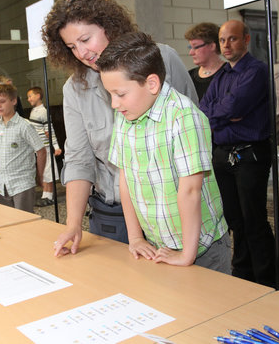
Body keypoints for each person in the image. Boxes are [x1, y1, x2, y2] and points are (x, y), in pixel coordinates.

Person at [42, 0, 198, 257]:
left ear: (108, 26)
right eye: (71, 47)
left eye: (85, 39)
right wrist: (73, 224)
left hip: (172, 211)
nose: (81, 52)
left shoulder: (163, 59)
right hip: (112, 214)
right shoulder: (75, 89)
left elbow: (196, 134)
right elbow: (80, 159)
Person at [96, 31, 230, 273]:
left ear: (152, 83)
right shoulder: (125, 116)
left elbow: (190, 191)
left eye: (120, 94)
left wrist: (186, 255)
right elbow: (126, 179)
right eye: (110, 95)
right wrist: (135, 237)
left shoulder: (184, 117)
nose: (114, 104)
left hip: (201, 249)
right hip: (159, 245)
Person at [200, 20, 277, 287]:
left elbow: (233, 106)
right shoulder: (221, 74)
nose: (226, 45)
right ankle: (244, 276)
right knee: (234, 219)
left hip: (250, 155)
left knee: (253, 218)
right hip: (223, 155)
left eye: (232, 39)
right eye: (222, 40)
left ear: (245, 40)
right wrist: (227, 114)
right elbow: (204, 110)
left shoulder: (256, 71)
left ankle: (267, 280)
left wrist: (226, 113)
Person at [0, 83, 46, 213]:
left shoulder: (24, 126)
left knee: (24, 223)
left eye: (2, 101)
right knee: (9, 223)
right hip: (3, 186)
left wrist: (40, 176)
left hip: (22, 183)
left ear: (13, 101)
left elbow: (41, 151)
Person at [26, 86, 62, 207]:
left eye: (30, 96)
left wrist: (56, 147)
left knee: (48, 171)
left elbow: (49, 130)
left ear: (38, 96)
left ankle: (49, 196)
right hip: (39, 147)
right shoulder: (34, 111)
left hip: (45, 147)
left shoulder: (42, 111)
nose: (29, 99)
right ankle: (45, 195)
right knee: (45, 172)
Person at [184, 22, 225, 102]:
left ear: (212, 46)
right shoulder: (189, 76)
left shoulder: (229, 74)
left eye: (195, 47)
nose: (191, 53)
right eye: (190, 47)